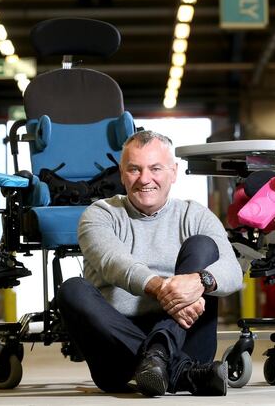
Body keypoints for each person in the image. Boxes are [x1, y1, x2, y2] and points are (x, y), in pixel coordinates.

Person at [56, 130, 243, 396]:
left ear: (173, 172)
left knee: (202, 245)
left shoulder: (195, 215)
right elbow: (115, 264)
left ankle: (161, 353)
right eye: (134, 169)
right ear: (122, 174)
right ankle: (182, 373)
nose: (145, 179)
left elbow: (233, 272)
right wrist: (164, 288)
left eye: (155, 168)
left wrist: (200, 281)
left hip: (185, 338)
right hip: (116, 350)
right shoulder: (99, 215)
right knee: (72, 290)